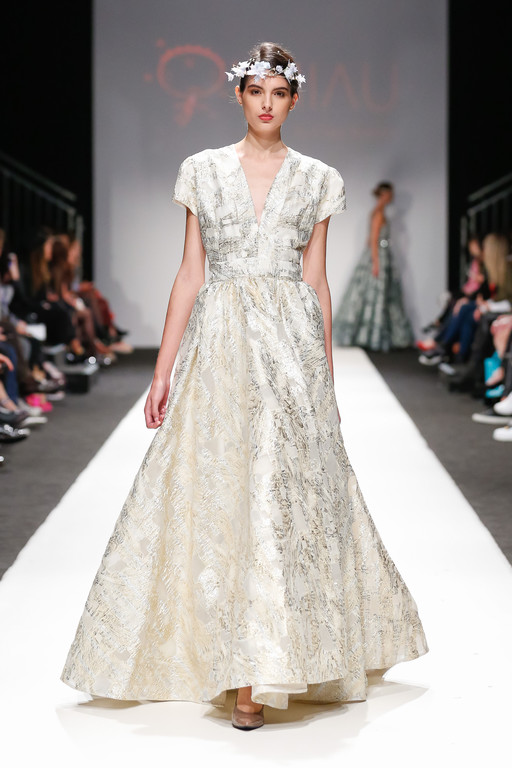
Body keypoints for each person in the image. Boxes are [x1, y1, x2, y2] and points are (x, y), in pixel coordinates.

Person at [60, 42, 428, 731]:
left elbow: (315, 283)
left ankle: (256, 673)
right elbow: (190, 273)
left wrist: (325, 381)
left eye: (278, 93)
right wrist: (163, 369)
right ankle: (233, 662)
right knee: (223, 492)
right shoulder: (201, 170)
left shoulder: (318, 178)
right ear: (238, 94)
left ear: (294, 99)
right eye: (256, 90)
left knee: (279, 494)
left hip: (289, 350)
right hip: (220, 349)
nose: (266, 103)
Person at [332, 181, 414, 351]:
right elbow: (373, 241)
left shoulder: (378, 213)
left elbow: (369, 240)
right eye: (390, 194)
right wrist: (376, 263)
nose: (392, 197)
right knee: (377, 295)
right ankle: (372, 337)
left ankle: (375, 337)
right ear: (383, 195)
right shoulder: (377, 214)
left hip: (382, 257)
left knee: (380, 296)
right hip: (379, 258)